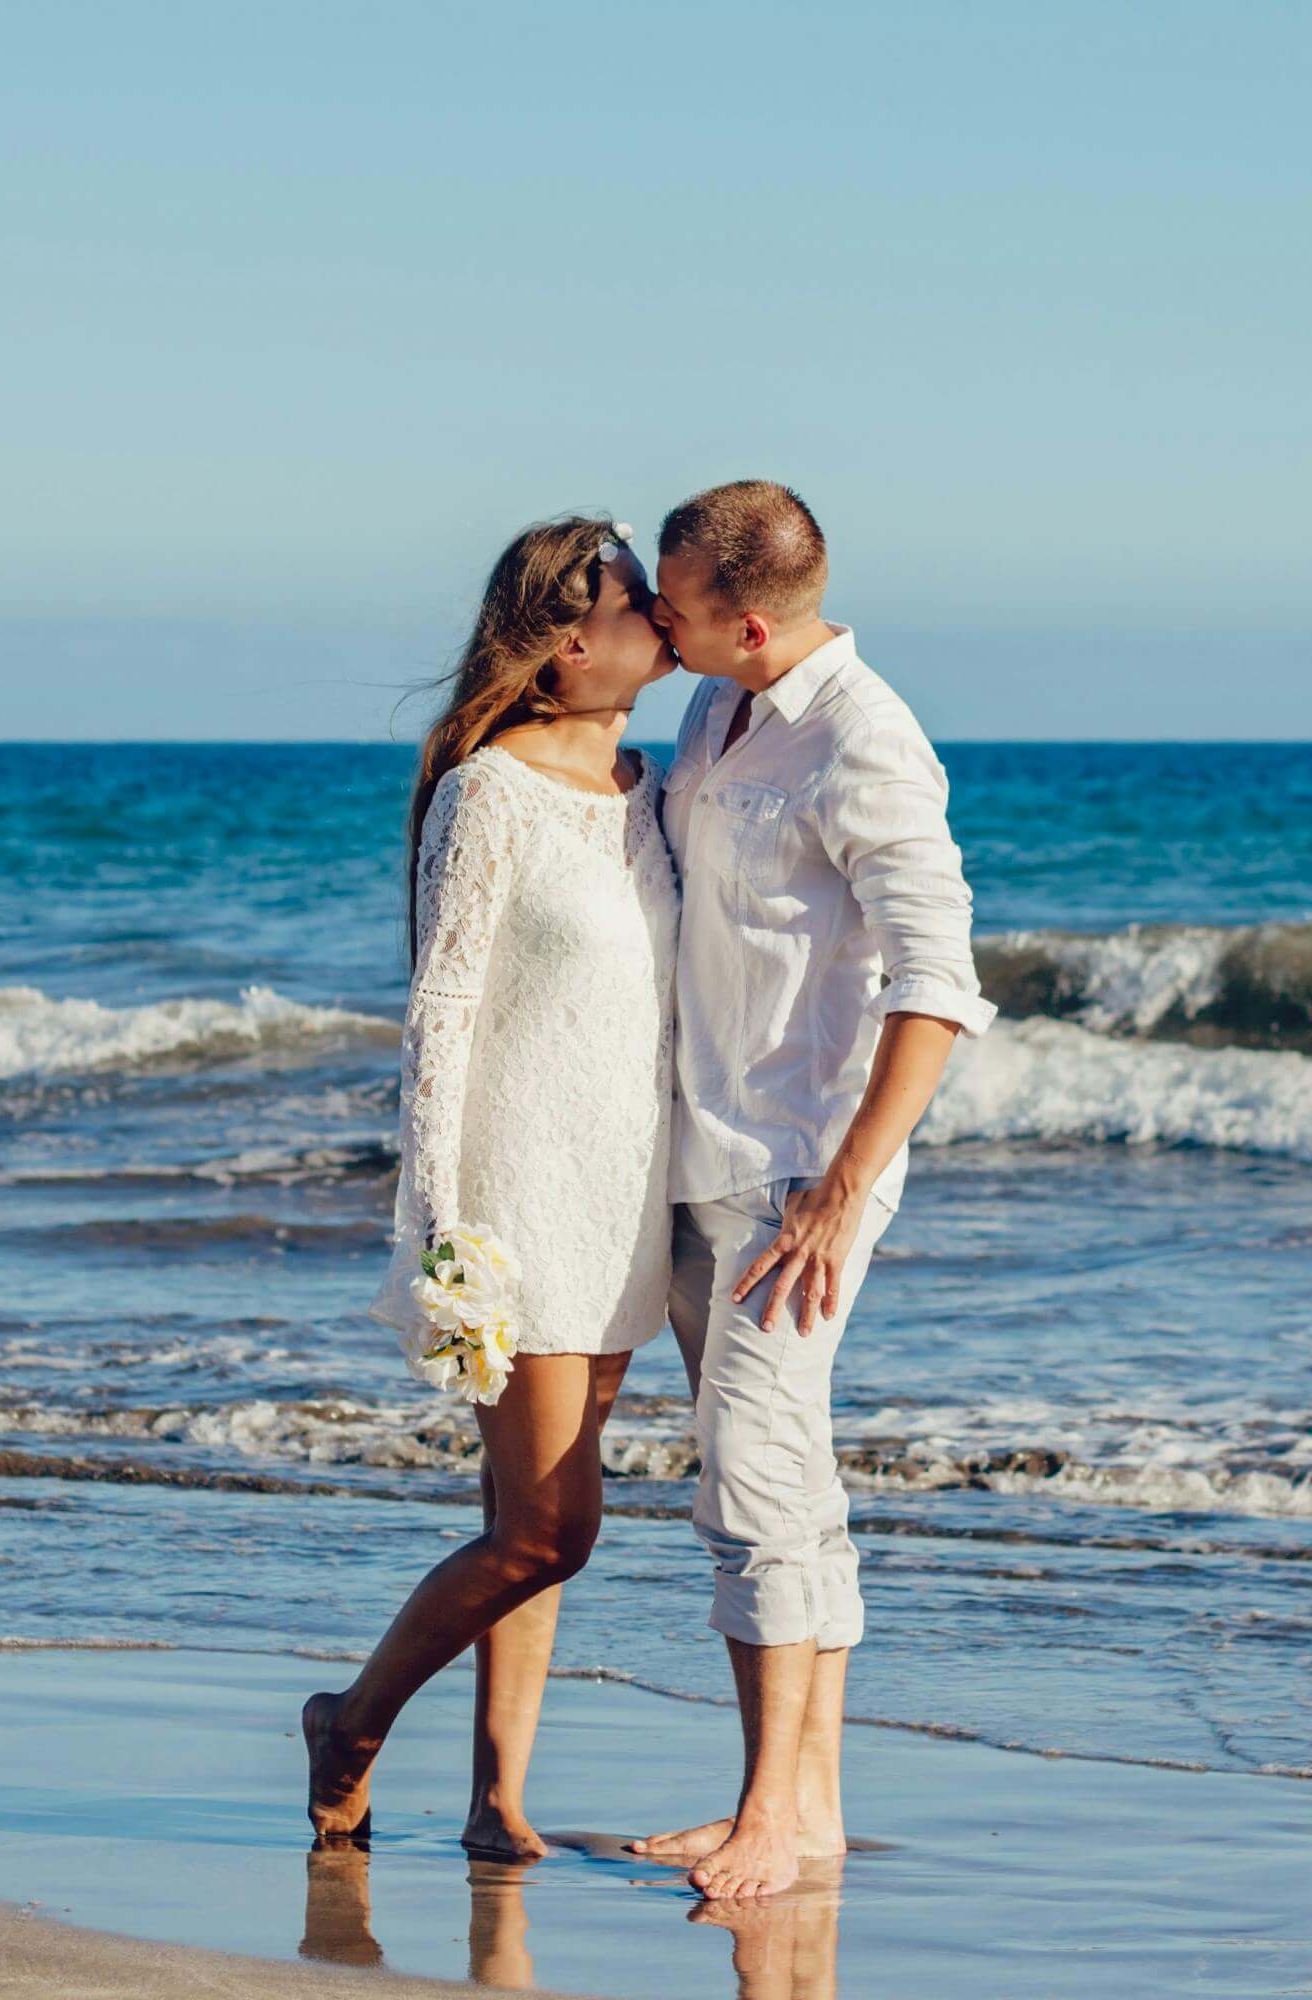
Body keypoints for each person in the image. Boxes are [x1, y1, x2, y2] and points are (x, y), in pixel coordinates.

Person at [625, 480, 995, 1900]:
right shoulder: (715, 708)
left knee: (755, 1478)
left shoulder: (864, 741)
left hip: (799, 1173)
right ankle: (807, 1806)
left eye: (677, 604)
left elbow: (940, 983)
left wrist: (847, 1187)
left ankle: (768, 1815)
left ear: (753, 620)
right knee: (781, 1486)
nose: (659, 619)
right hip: (703, 1148)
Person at [303, 513, 680, 1859]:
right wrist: (439, 1222)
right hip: (518, 1198)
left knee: (530, 1525)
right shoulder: (490, 793)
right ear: (565, 643)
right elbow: (441, 1015)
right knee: (552, 1530)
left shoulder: (660, 785)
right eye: (639, 597)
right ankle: (350, 1719)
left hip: (631, 1193)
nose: (665, 610)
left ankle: (495, 1799)